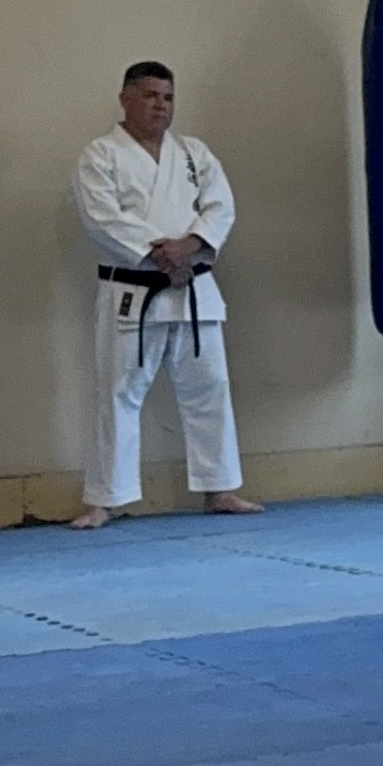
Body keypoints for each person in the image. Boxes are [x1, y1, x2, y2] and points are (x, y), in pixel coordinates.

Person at [68, 61, 261, 529]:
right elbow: (102, 219)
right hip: (133, 290)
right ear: (125, 99)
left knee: (210, 390)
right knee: (118, 394)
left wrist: (189, 247)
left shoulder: (194, 153)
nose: (161, 105)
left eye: (168, 97)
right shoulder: (100, 155)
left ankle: (220, 489)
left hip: (194, 288)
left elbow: (220, 208)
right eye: (150, 95)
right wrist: (162, 254)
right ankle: (104, 500)